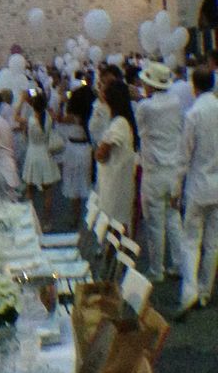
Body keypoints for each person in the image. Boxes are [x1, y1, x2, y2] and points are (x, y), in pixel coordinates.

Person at [137, 61, 186, 283]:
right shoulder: (175, 102)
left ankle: (157, 269)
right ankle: (179, 263)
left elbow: (141, 130)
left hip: (154, 172)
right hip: (173, 170)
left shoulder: (145, 107)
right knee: (173, 218)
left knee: (155, 223)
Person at [178, 67, 218, 317]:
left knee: (191, 240)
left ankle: (190, 291)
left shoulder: (193, 113)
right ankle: (205, 292)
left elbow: (184, 155)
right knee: (213, 243)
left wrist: (176, 186)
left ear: (194, 86)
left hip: (197, 184)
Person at [95, 80, 138, 231]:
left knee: (114, 221)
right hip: (115, 178)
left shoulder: (119, 123)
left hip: (115, 181)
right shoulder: (119, 120)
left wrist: (99, 150)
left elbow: (101, 153)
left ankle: (115, 252)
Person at [18, 92, 61, 227]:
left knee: (30, 190)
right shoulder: (48, 118)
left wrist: (21, 101)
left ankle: (32, 219)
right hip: (45, 154)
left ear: (33, 106)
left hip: (32, 155)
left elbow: (15, 116)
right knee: (48, 191)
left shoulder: (30, 120)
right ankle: (46, 220)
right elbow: (54, 115)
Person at [57, 84, 94, 230]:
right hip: (85, 149)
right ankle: (89, 215)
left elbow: (58, 118)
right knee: (85, 181)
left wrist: (62, 102)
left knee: (73, 183)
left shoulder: (72, 117)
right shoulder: (89, 116)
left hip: (72, 149)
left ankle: (75, 216)